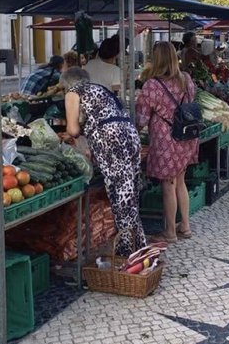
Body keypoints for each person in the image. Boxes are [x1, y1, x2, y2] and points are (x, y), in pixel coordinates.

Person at [62, 67, 146, 257]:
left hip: (111, 141)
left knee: (120, 196)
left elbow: (73, 130)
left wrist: (76, 131)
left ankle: (127, 252)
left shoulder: (73, 93)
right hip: (130, 136)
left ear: (67, 83)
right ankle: (139, 245)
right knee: (130, 194)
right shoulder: (99, 89)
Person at [135, 42, 200, 243]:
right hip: (187, 137)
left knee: (168, 184)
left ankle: (170, 232)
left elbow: (141, 118)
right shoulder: (186, 79)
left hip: (166, 140)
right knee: (180, 181)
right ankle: (185, 226)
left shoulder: (152, 85)